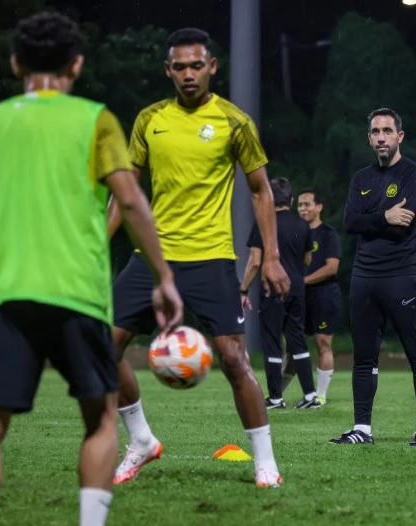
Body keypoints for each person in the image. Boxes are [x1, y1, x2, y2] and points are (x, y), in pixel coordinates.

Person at [0, 12, 183, 526]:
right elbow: (130, 200)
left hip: (5, 298)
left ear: (16, 62)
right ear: (77, 64)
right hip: (77, 296)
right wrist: (164, 277)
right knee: (101, 418)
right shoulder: (95, 120)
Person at [106, 27, 290, 488]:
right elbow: (125, 193)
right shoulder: (149, 119)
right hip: (152, 258)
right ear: (168, 71)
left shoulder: (234, 121)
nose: (188, 74)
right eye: (179, 67)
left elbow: (261, 191)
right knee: (100, 348)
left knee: (232, 357)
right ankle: (142, 441)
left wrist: (271, 258)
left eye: (196, 65)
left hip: (210, 257)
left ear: (212, 67)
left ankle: (265, 460)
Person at [329, 108, 416, 447]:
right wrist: (383, 216)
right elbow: (350, 222)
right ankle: (362, 429)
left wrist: (372, 218)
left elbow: (402, 223)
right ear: (369, 138)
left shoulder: (414, 175)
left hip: (402, 276)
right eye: (375, 132)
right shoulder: (361, 178)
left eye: (387, 131)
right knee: (363, 357)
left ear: (399, 136)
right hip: (364, 277)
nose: (381, 137)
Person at [240, 178, 320, 410]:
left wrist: (243, 289)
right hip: (297, 289)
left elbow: (255, 262)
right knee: (297, 341)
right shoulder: (303, 225)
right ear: (291, 200)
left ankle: (275, 398)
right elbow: (307, 259)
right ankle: (311, 395)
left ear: (270, 199)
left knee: (272, 343)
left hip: (272, 290)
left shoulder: (265, 224)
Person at [287, 188, 342, 405]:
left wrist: (302, 281)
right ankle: (276, 395)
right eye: (299, 205)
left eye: (307, 204)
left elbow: (332, 268)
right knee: (292, 346)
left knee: (322, 343)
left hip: (323, 295)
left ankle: (320, 395)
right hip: (297, 298)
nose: (302, 209)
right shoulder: (294, 234)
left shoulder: (328, 234)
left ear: (319, 207)